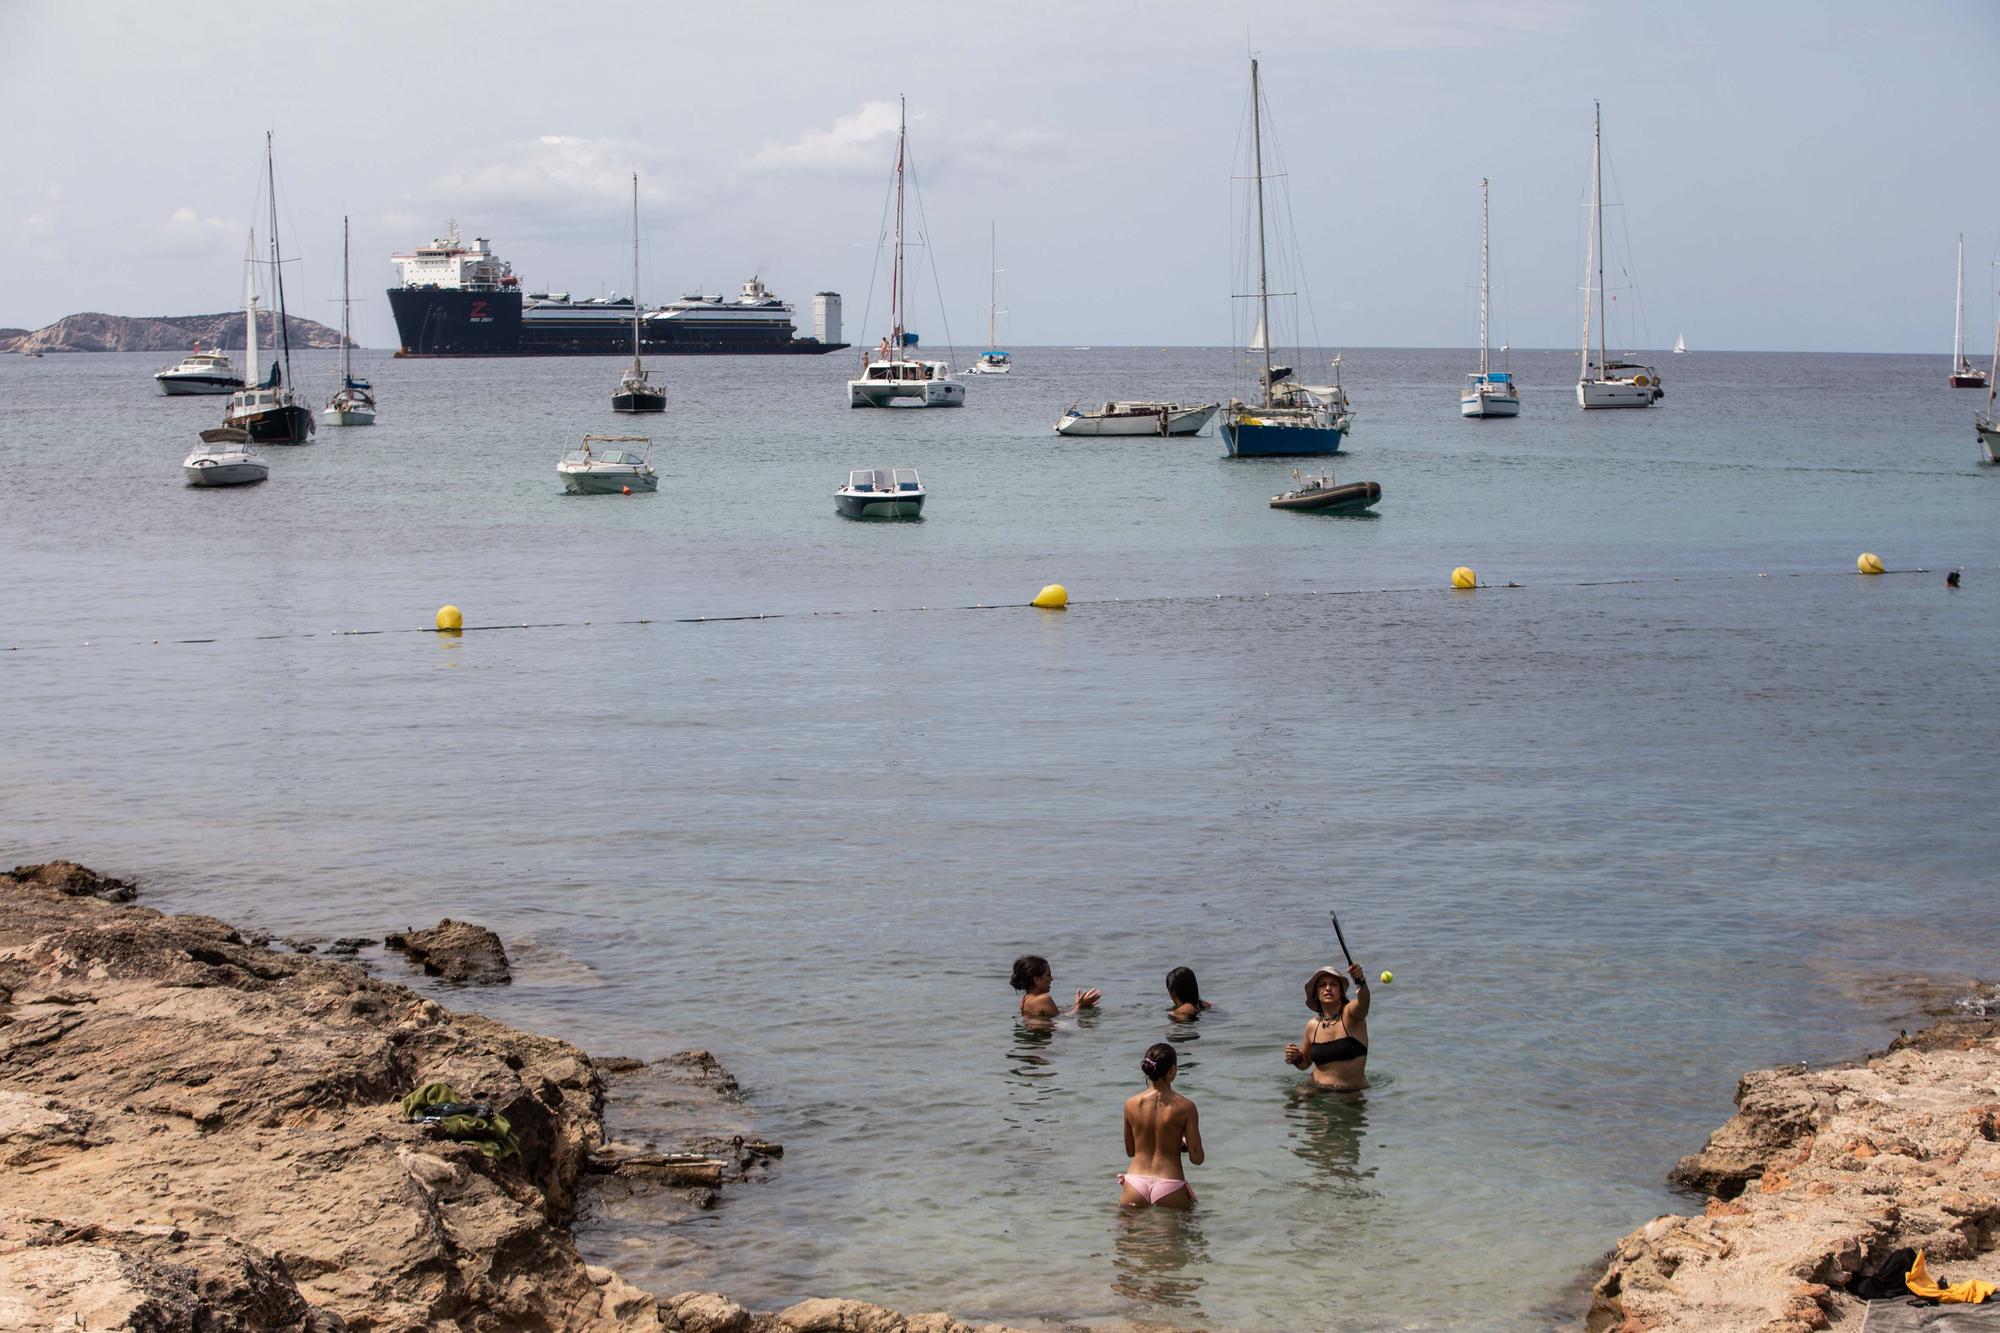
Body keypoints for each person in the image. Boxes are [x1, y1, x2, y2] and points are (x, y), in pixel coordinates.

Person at [1119, 1042, 1203, 1208]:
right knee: (1183, 1233)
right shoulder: (1186, 1107)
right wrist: (1181, 1144)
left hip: (1136, 1182)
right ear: (1172, 1070)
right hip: (1169, 1183)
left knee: (1130, 1233)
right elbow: (1197, 1158)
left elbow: (1131, 1151)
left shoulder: (1130, 1104)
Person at [1284, 962, 1370, 1090]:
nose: (1328, 988)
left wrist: (1360, 981)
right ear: (1316, 994)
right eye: (1322, 985)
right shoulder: (1312, 1025)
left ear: (1341, 992)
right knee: (1288, 1109)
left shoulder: (1352, 1014)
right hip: (1315, 1090)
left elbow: (1364, 1003)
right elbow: (1305, 1064)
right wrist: (1295, 1058)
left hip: (1351, 1095)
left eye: (1333, 984)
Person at [1011, 954, 1101, 1018]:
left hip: (1036, 1038)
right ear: (1037, 979)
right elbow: (1065, 1018)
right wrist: (1080, 1005)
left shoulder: (1025, 1000)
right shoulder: (1043, 999)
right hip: (1043, 1040)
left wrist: (1077, 1004)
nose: (1052, 979)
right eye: (1048, 975)